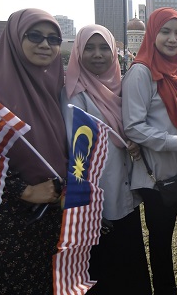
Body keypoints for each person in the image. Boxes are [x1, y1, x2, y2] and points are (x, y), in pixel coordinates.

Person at [0, 8, 68, 294]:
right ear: (14, 39)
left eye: (53, 39)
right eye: (34, 36)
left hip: (51, 218)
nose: (45, 45)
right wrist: (22, 190)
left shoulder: (54, 87)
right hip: (7, 224)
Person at [122, 7, 177, 295]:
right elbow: (133, 126)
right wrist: (175, 142)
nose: (173, 39)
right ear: (152, 33)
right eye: (165, 31)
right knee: (161, 240)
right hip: (157, 174)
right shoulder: (141, 72)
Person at [61, 24, 151, 294]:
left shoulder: (121, 89)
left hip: (126, 195)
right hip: (96, 202)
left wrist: (134, 144)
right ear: (78, 52)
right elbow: (74, 153)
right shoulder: (74, 96)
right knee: (104, 270)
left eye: (104, 48)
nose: (97, 55)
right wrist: (86, 204)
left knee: (129, 262)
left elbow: (131, 130)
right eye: (89, 48)